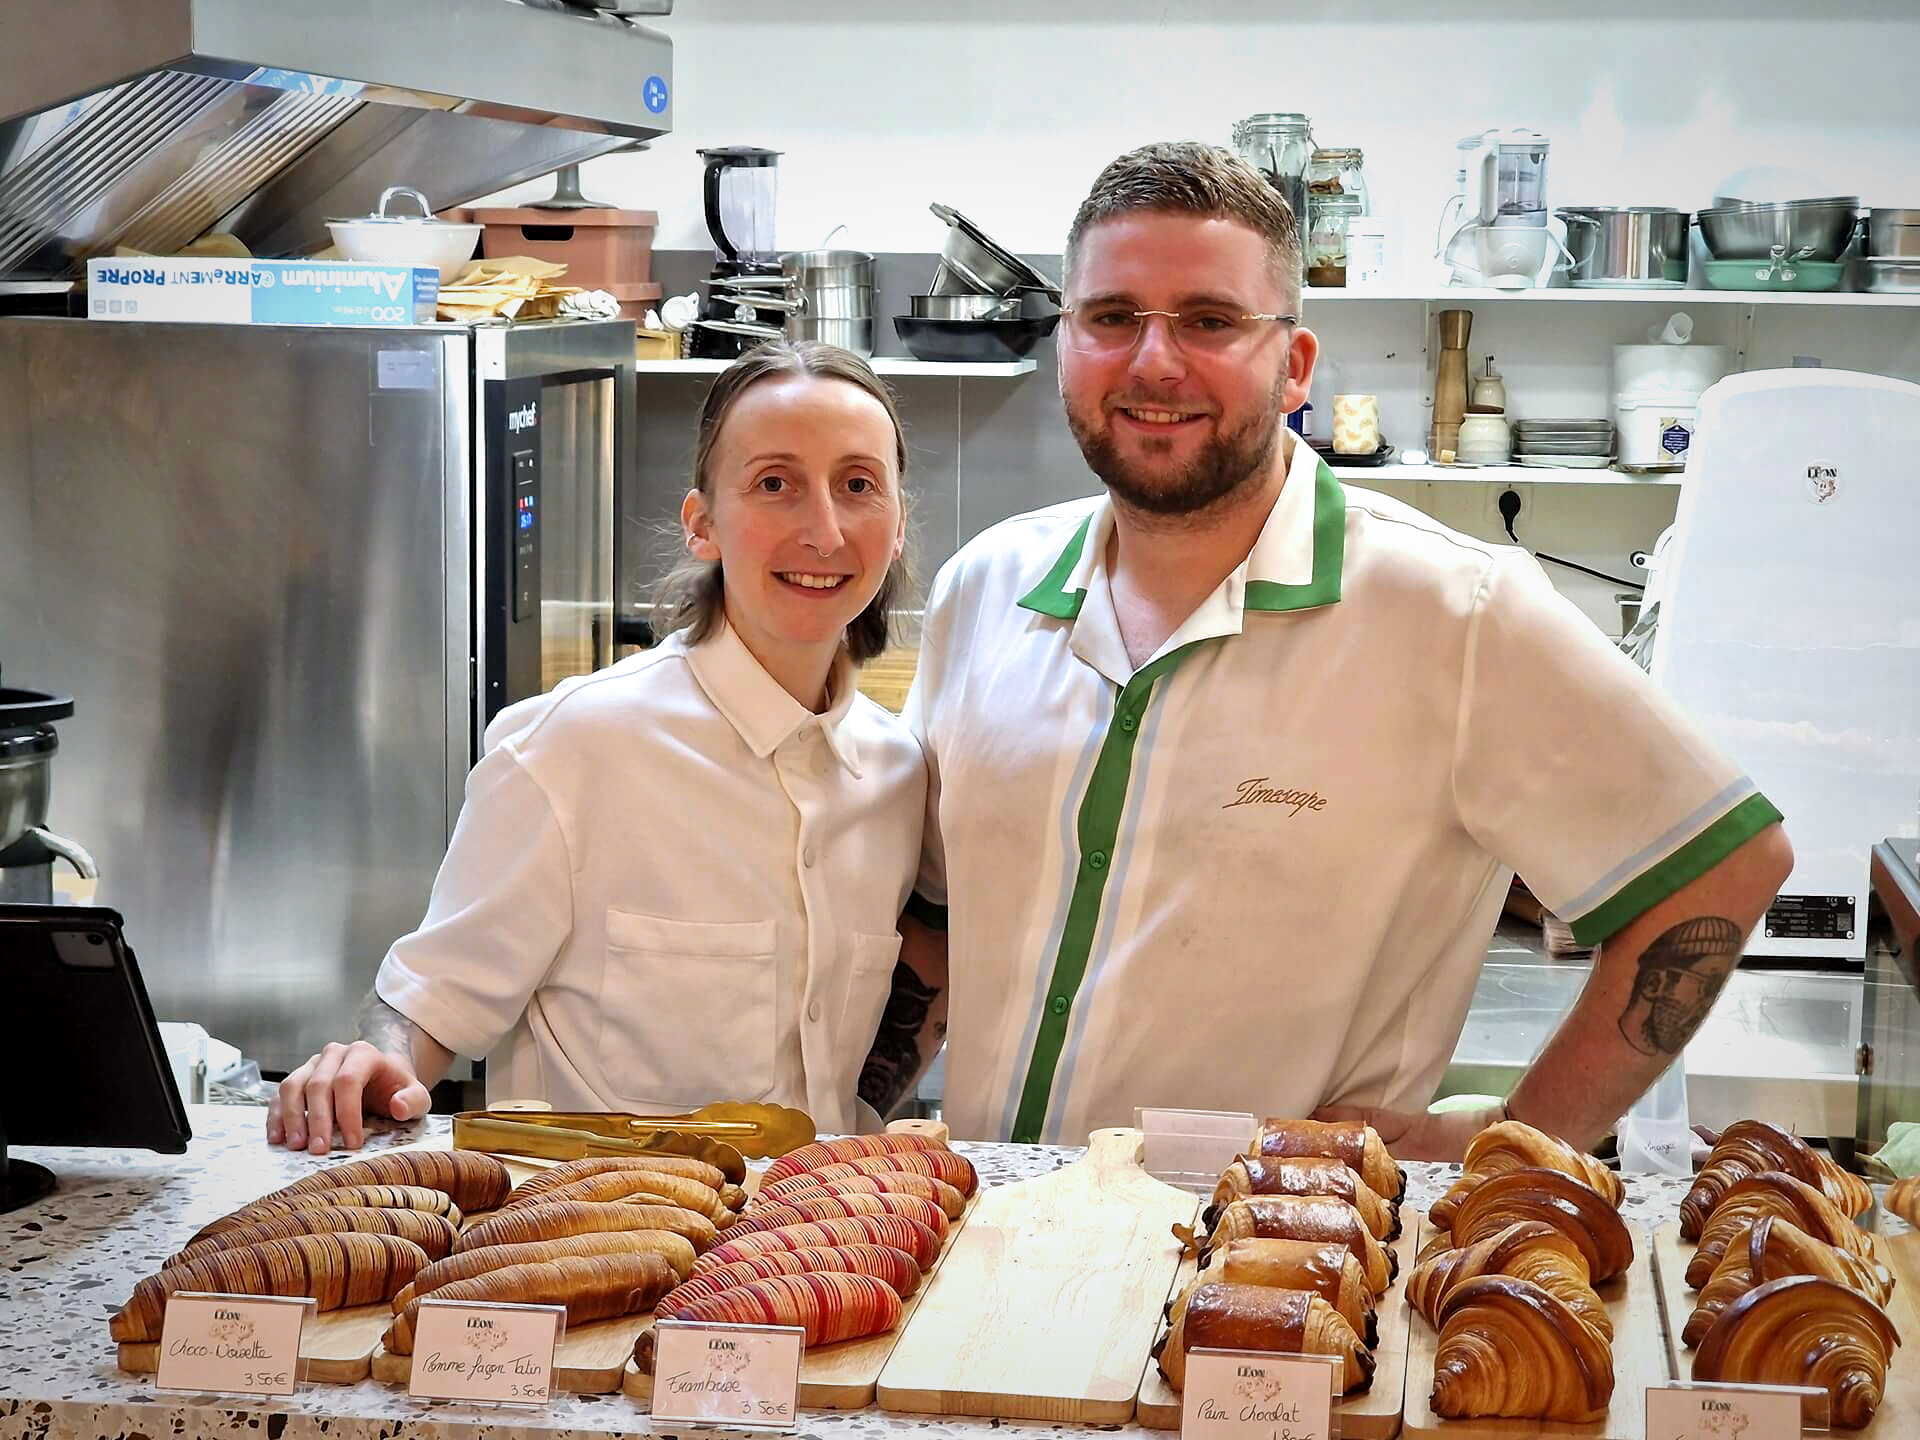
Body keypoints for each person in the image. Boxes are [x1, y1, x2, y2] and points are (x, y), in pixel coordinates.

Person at [856, 142, 1793, 1161]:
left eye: (1210, 320)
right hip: (994, 1229)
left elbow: (1724, 865)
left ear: (1294, 364)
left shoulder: (1454, 612)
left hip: (1273, 1245)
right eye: (1112, 317)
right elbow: (936, 921)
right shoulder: (986, 589)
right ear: (1066, 344)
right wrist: (842, 1123)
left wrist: (1514, 1147)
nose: (1153, 361)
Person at [268, 340, 925, 1154]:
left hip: (818, 1226)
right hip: (598, 1224)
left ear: (898, 525)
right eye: (774, 484)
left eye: (858, 485)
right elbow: (427, 1004)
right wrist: (377, 1061)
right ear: (703, 524)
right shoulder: (573, 749)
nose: (824, 530)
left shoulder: (897, 775)